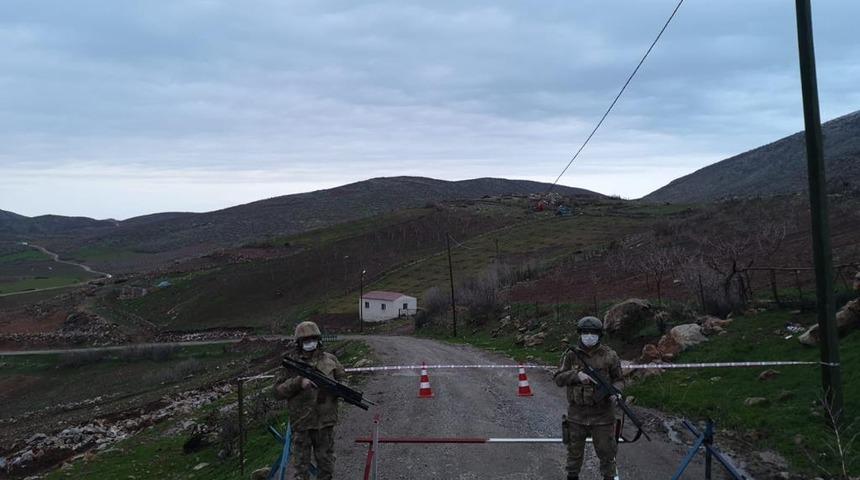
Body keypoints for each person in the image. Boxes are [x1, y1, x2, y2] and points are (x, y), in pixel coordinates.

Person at [554, 316, 624, 480]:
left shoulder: (610, 355)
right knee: (574, 456)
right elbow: (558, 378)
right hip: (576, 416)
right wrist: (576, 375)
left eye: (593, 333)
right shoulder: (571, 355)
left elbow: (619, 379)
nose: (589, 336)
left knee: (607, 455)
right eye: (586, 332)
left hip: (603, 416)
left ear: (600, 335)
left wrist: (617, 392)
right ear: (580, 333)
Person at [274, 321, 345, 480]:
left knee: (326, 467)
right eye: (305, 340)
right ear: (299, 342)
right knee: (301, 469)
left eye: (312, 338)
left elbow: (343, 380)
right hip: (302, 424)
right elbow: (277, 392)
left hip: (325, 423)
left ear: (318, 339)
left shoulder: (331, 360)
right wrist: (298, 383)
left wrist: (338, 389)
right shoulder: (290, 363)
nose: (310, 342)